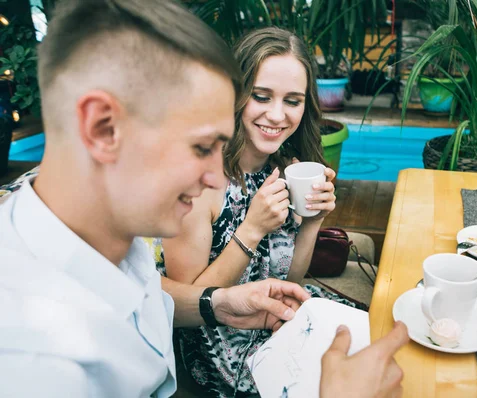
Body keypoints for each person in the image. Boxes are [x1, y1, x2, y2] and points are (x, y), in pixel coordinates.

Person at [0, 1, 408, 397]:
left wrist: (219, 303)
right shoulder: (38, 362)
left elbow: (158, 299)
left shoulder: (111, 241)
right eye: (200, 146)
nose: (216, 176)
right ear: (104, 129)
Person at [157, 27, 367, 396]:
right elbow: (188, 310)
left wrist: (312, 222)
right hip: (219, 353)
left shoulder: (288, 166)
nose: (277, 115)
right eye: (261, 96)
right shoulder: (199, 180)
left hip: (278, 323)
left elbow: (292, 277)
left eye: (292, 100)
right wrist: (252, 229)